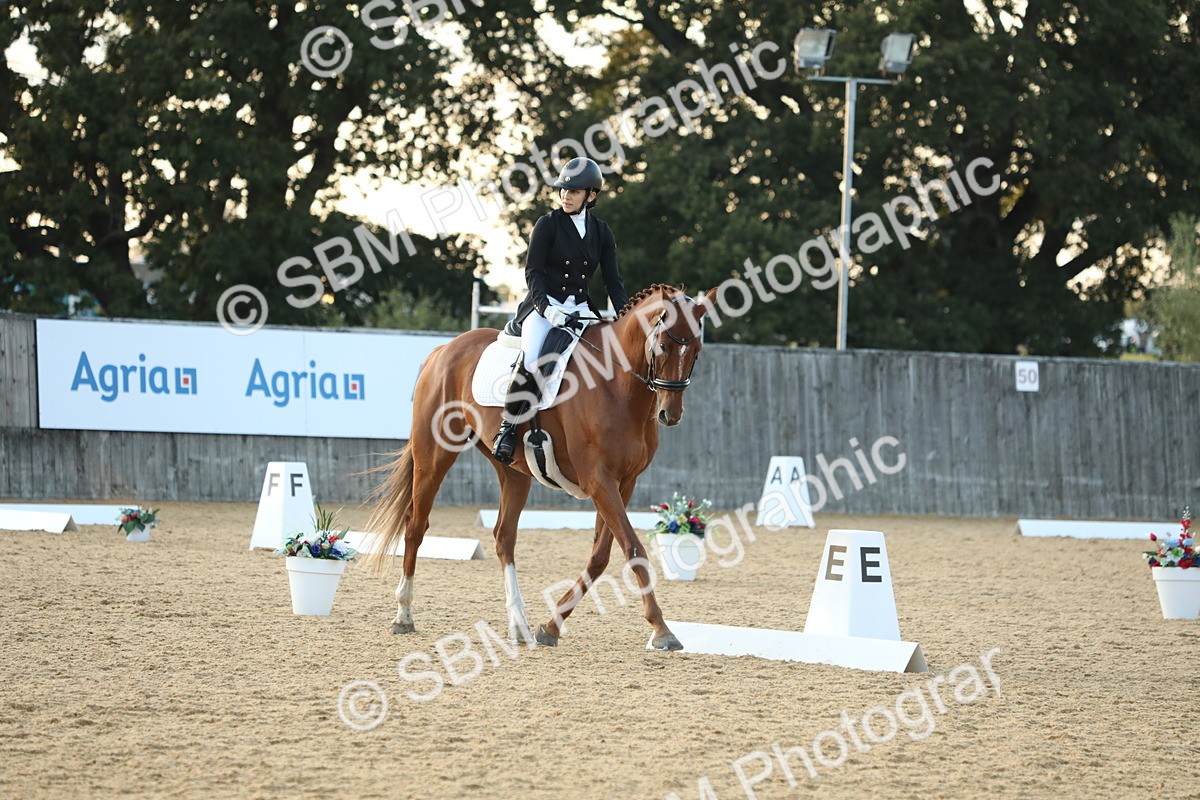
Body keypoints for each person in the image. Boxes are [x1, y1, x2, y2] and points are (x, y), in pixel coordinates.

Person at [490, 156, 629, 464]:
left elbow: (612, 281)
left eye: (574, 191)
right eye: (563, 190)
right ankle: (508, 429)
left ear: (591, 195)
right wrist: (547, 309)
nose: (566, 196)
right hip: (542, 309)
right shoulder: (548, 224)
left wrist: (626, 315)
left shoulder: (602, 232)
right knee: (533, 357)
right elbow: (533, 273)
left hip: (581, 310)